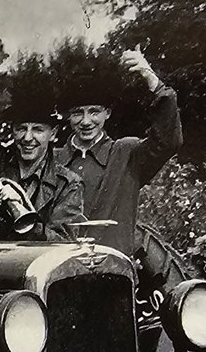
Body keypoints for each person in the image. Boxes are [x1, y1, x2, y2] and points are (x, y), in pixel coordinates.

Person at [56, 47, 182, 254]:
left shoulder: (126, 153)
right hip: (59, 271)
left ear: (108, 113)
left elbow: (168, 142)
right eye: (78, 113)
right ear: (69, 117)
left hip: (112, 271)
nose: (86, 121)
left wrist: (153, 82)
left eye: (94, 111)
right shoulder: (54, 160)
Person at [0, 93, 84, 242]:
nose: (27, 138)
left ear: (53, 134)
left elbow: (64, 243)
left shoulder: (68, 184)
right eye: (21, 128)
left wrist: (24, 215)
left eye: (37, 130)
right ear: (12, 131)